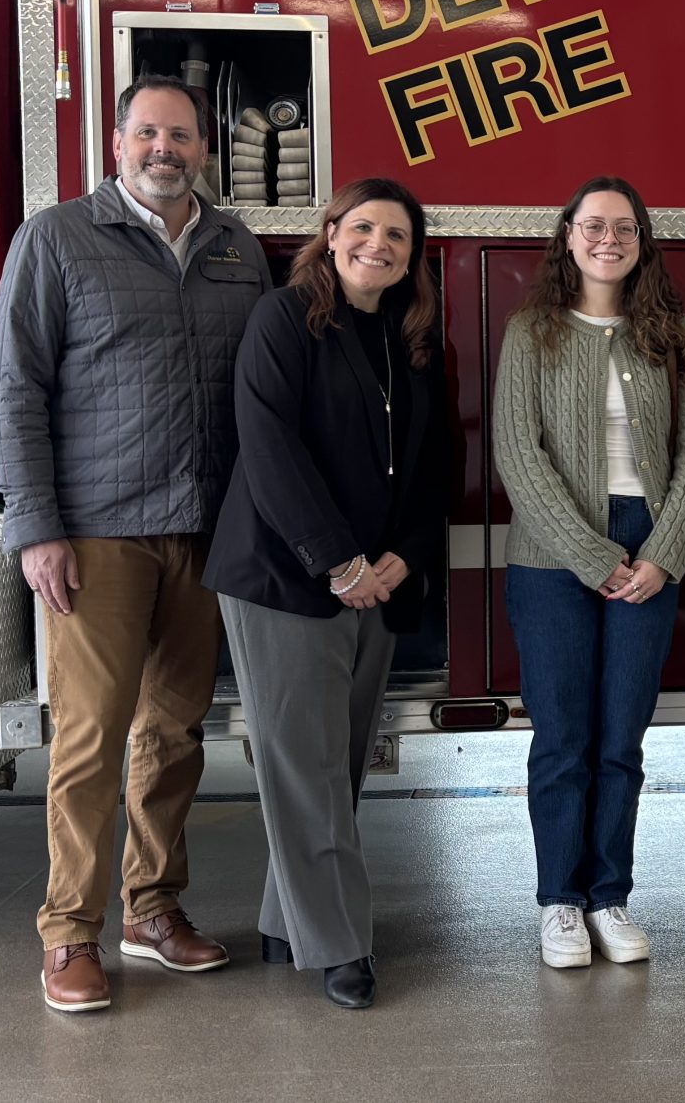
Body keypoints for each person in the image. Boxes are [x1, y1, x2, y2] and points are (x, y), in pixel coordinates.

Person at [0, 73, 268, 1013]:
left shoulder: (236, 246)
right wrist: (37, 528)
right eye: (147, 132)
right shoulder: (57, 238)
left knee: (176, 734)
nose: (165, 149)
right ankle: (69, 932)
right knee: (89, 741)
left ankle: (153, 911)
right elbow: (17, 391)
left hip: (205, 532)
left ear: (203, 149)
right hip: (97, 536)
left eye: (181, 135)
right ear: (115, 144)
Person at [204, 178, 451, 1009]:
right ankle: (340, 945)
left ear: (413, 256)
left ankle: (287, 920)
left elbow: (432, 470)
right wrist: (338, 560)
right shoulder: (285, 319)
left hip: (378, 582)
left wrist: (398, 561)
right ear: (332, 231)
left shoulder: (414, 339)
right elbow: (267, 446)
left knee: (333, 764)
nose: (378, 245)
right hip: (286, 577)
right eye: (365, 227)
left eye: (398, 237)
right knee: (304, 766)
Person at [493, 176, 685, 969]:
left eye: (624, 227)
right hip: (553, 557)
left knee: (621, 738)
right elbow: (518, 452)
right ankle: (559, 901)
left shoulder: (671, 334)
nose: (608, 238)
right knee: (562, 738)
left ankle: (609, 896)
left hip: (648, 550)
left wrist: (661, 551)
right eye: (594, 225)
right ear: (568, 234)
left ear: (642, 240)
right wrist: (593, 556)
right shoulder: (533, 330)